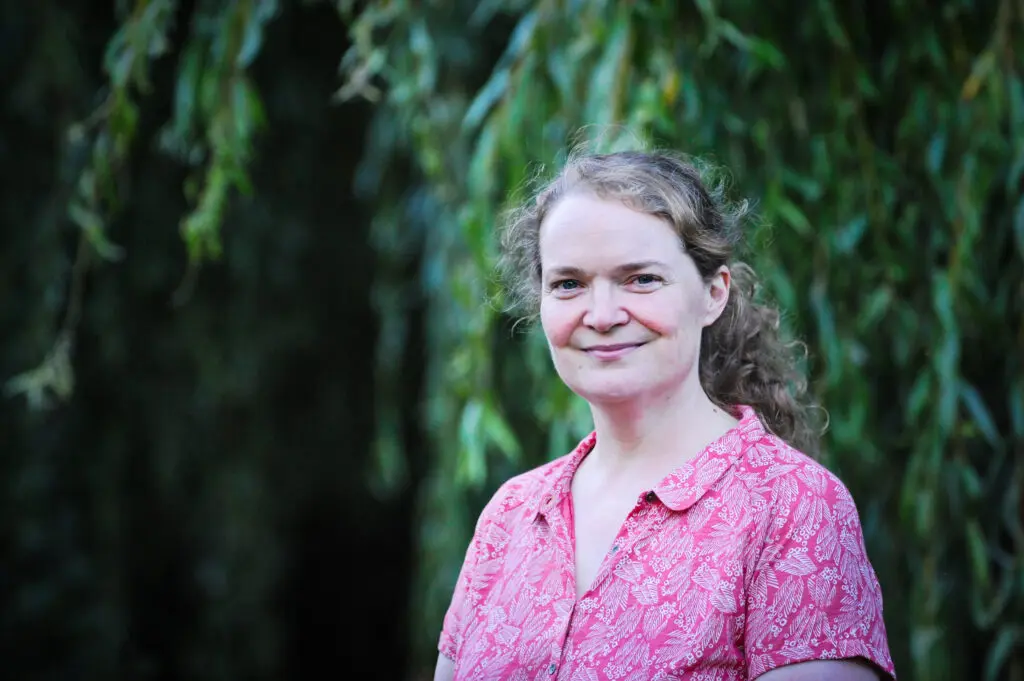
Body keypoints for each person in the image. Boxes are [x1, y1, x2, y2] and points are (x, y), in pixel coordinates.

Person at [433, 150, 895, 681]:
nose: (602, 315)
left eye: (641, 279)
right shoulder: (508, 517)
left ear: (713, 295)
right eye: (568, 284)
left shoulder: (792, 508)